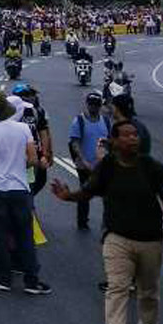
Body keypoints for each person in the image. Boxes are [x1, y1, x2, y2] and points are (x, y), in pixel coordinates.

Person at [52, 119, 163, 324]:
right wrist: (68, 196)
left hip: (150, 241)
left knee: (148, 292)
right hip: (117, 238)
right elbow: (89, 191)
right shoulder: (107, 166)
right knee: (117, 288)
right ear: (114, 141)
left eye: (135, 134)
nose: (133, 138)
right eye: (126, 135)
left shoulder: (152, 167)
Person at [0, 91, 49, 294]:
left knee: (0, 234)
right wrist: (16, 164)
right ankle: (31, 280)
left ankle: (4, 278)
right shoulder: (23, 128)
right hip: (21, 189)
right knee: (25, 234)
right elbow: (33, 160)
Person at [67, 91, 111, 230]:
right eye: (91, 104)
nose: (94, 107)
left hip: (102, 165)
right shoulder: (79, 121)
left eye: (96, 105)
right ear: (87, 104)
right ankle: (82, 221)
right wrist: (84, 161)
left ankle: (108, 223)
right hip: (84, 165)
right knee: (85, 193)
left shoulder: (105, 121)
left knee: (108, 195)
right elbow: (75, 143)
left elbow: (109, 142)